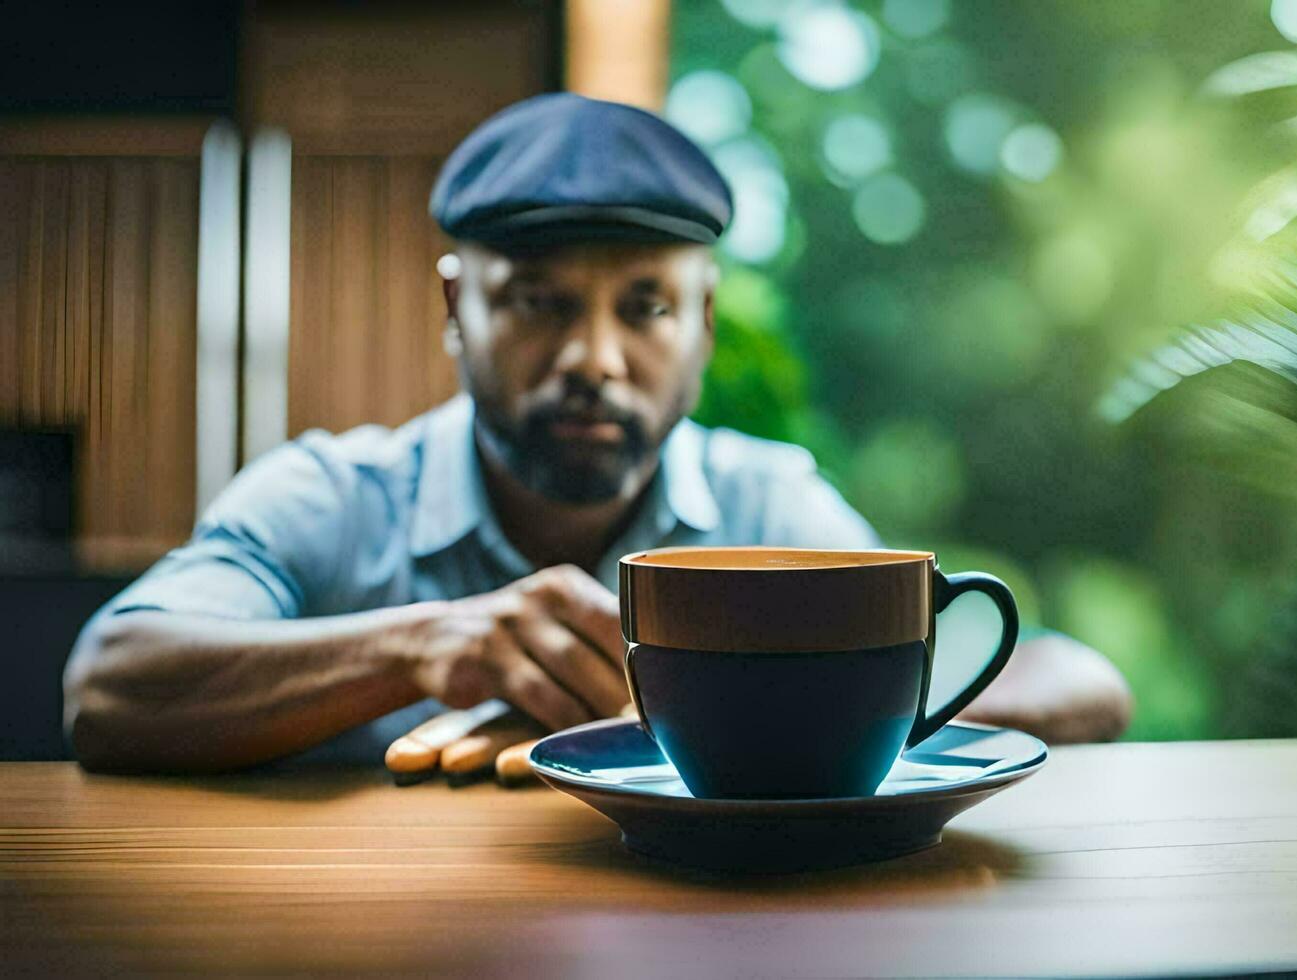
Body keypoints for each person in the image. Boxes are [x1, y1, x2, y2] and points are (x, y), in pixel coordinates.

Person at [63, 94, 1132, 774]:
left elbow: (1072, 679)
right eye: (536, 301)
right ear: (455, 309)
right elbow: (108, 685)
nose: (595, 359)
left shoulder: (768, 507)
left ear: (706, 323)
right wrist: (421, 643)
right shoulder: (333, 495)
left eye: (646, 306)